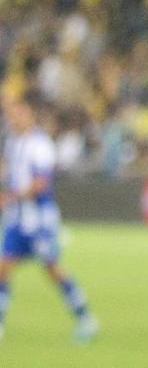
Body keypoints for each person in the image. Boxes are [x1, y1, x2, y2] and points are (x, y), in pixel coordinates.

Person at [0, 94, 98, 343]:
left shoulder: (40, 144)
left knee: (52, 268)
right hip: (18, 218)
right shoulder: (13, 142)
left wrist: (10, 196)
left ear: (30, 114)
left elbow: (41, 184)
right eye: (11, 113)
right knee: (3, 267)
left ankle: (85, 318)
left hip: (39, 220)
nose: (14, 118)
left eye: (19, 113)